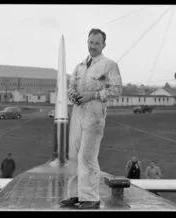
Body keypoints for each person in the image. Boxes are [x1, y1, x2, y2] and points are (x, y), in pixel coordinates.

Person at [59, 28, 122, 209]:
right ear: (87, 42)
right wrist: (72, 94)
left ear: (103, 45)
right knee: (73, 155)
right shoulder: (79, 66)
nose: (92, 46)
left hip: (94, 116)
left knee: (87, 156)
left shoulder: (109, 65)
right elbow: (71, 85)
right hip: (78, 113)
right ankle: (74, 194)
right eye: (90, 42)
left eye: (96, 43)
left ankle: (90, 198)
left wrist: (93, 94)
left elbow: (117, 89)